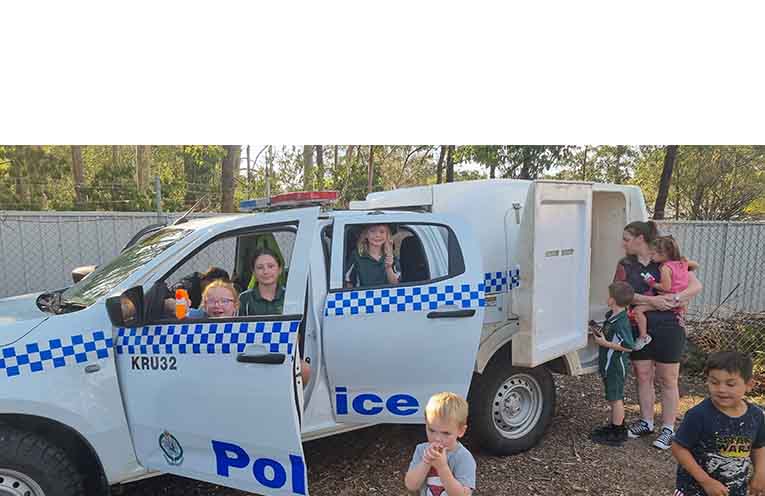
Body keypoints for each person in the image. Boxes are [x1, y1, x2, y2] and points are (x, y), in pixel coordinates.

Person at [615, 220, 703, 450]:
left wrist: (674, 299)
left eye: (626, 239)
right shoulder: (625, 265)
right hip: (640, 326)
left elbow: (695, 287)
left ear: (640, 239)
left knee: (668, 378)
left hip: (670, 326)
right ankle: (646, 421)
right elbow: (620, 293)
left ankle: (668, 428)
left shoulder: (668, 260)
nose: (623, 244)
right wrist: (651, 300)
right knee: (643, 374)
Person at [671, 352, 765, 496]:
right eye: (714, 382)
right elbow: (678, 448)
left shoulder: (756, 416)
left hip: (734, 490)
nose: (721, 389)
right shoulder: (698, 415)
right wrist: (706, 481)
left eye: (730, 384)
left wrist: (760, 473)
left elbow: (758, 446)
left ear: (749, 385)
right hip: (694, 490)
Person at [239, 248, 311, 385]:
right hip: (253, 356)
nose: (266, 271)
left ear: (279, 269)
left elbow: (299, 333)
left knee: (304, 369)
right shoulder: (244, 299)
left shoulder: (291, 298)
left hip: (285, 356)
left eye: (271, 266)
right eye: (260, 267)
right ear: (253, 272)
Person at [632, 235, 699, 351]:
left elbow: (666, 287)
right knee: (682, 311)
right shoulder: (682, 262)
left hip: (667, 298)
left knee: (638, 310)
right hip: (679, 299)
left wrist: (652, 283)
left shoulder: (665, 268)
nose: (651, 256)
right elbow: (696, 265)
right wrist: (687, 264)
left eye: (653, 254)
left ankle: (643, 337)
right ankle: (682, 323)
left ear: (663, 255)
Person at [590, 281, 636, 447]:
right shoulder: (612, 316)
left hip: (615, 365)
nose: (607, 298)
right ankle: (614, 425)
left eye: (609, 296)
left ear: (613, 300)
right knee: (612, 396)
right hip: (609, 364)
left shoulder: (621, 322)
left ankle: (618, 431)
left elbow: (629, 346)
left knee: (615, 398)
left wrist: (605, 344)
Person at [405, 392, 476, 496]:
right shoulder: (421, 450)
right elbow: (411, 485)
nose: (437, 438)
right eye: (432, 430)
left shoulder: (463, 457)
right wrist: (426, 462)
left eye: (446, 433)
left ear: (461, 431)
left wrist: (442, 467)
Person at [344, 224, 400, 288]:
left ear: (387, 236)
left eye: (382, 232)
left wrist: (388, 267)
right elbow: (348, 282)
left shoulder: (392, 257)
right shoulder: (356, 255)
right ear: (366, 235)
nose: (377, 235)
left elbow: (396, 284)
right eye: (372, 231)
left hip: (386, 296)